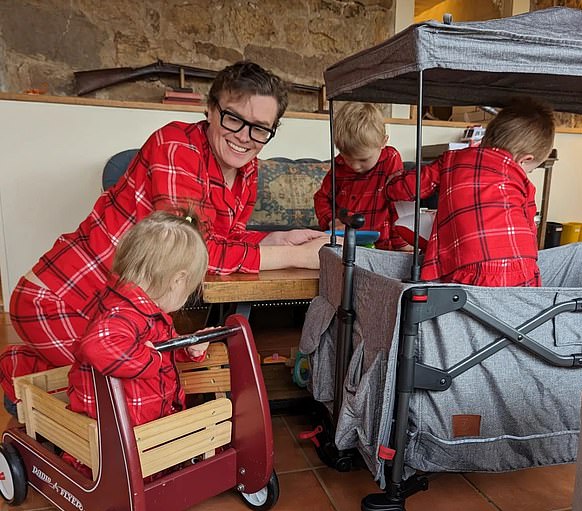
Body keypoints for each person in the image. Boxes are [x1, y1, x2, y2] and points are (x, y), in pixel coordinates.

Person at [0, 60, 329, 408]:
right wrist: (295, 258)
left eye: (260, 128)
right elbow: (194, 251)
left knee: (127, 388)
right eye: (234, 118)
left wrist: (274, 240)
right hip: (57, 301)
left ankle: (35, 382)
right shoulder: (175, 146)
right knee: (121, 393)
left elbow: (222, 240)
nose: (245, 137)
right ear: (210, 109)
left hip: (122, 311)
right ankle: (23, 380)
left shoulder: (248, 171)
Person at [61, 211, 209, 476]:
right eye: (189, 290)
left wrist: (185, 349)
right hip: (114, 437)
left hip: (143, 426)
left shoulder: (147, 311)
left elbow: (161, 347)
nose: (186, 299)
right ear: (177, 281)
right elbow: (97, 345)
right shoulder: (124, 314)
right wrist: (150, 359)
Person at [386, 96, 555, 287]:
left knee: (451, 290)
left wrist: (393, 182)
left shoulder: (452, 160)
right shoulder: (524, 185)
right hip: (521, 276)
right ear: (524, 159)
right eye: (530, 170)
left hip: (467, 270)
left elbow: (406, 188)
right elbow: (530, 234)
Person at [313, 102, 409, 251]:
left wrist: (402, 243)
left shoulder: (390, 159)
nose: (355, 166)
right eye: (348, 158)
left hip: (382, 246)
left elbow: (398, 203)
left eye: (363, 160)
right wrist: (332, 221)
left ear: (383, 142)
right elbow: (322, 198)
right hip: (343, 243)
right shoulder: (339, 166)